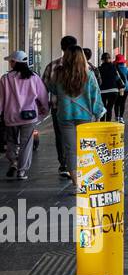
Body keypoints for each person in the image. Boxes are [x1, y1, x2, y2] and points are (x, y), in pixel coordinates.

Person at [46, 44, 105, 181]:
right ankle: (87, 177)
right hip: (84, 116)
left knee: (70, 149)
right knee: (85, 148)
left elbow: (52, 89)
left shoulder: (59, 74)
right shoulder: (88, 75)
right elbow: (95, 96)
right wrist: (98, 114)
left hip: (65, 115)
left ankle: (75, 180)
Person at [1, 51, 49, 181]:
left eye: (11, 61)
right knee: (26, 143)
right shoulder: (34, 77)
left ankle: (13, 162)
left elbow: (1, 99)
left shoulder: (5, 79)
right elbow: (43, 95)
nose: (10, 64)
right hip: (29, 116)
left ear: (15, 62)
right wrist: (44, 110)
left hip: (10, 115)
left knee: (11, 141)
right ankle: (21, 171)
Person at [42, 35, 80, 177]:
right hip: (81, 110)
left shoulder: (52, 66)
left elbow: (44, 87)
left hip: (59, 108)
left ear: (61, 48)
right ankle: (78, 164)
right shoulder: (85, 66)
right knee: (79, 136)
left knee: (61, 136)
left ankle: (64, 164)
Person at [98, 52, 125, 121]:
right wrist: (121, 86)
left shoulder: (99, 69)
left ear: (102, 60)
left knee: (103, 108)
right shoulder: (114, 67)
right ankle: (108, 123)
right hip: (113, 90)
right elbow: (120, 77)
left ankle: (102, 123)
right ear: (110, 59)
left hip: (102, 91)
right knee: (109, 108)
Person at [112, 53, 128, 120]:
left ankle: (116, 117)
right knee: (122, 103)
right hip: (125, 88)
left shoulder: (114, 69)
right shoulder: (126, 69)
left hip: (117, 88)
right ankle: (121, 117)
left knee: (116, 103)